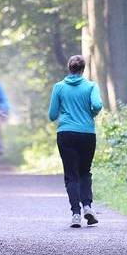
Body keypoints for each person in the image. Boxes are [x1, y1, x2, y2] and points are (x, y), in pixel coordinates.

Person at [47, 55, 103, 228]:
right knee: (85, 172)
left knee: (71, 175)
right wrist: (91, 114)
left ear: (69, 68)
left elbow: (52, 115)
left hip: (66, 134)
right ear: (83, 69)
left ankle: (76, 214)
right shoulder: (91, 86)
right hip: (87, 133)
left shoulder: (59, 87)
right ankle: (87, 207)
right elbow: (97, 105)